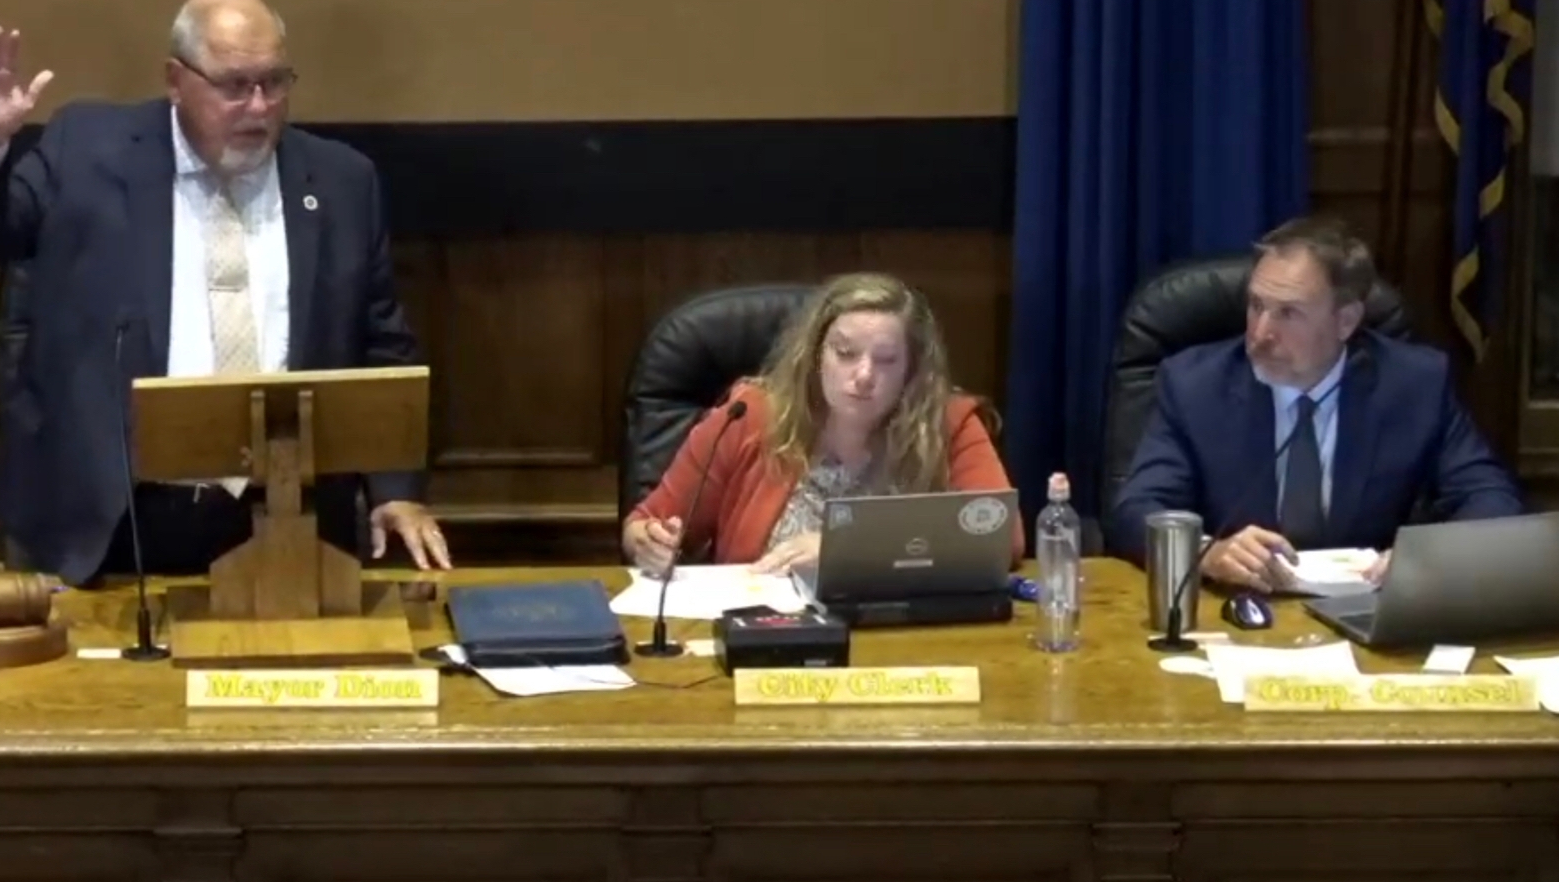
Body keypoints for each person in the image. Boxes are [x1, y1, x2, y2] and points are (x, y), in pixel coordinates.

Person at [0, 0, 448, 587]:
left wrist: (393, 491)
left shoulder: (341, 181)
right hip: (115, 520)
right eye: (234, 86)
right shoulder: (87, 149)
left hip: (287, 517)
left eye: (275, 82)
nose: (259, 107)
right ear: (176, 80)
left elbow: (379, 344)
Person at [1108, 216, 1524, 589]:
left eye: (1288, 314)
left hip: (1365, 616)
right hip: (1239, 612)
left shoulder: (1414, 384)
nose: (1260, 333)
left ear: (1346, 321)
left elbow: (1492, 498)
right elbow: (1135, 510)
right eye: (1256, 306)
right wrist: (1207, 553)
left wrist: (1429, 560)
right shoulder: (1195, 385)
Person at [623, 272, 1022, 576]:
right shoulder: (750, 415)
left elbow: (1001, 538)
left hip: (900, 641)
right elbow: (643, 524)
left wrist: (845, 549)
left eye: (885, 360)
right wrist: (648, 543)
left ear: (912, 370)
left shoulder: (946, 422)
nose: (863, 375)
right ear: (815, 356)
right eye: (845, 353)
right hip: (770, 638)